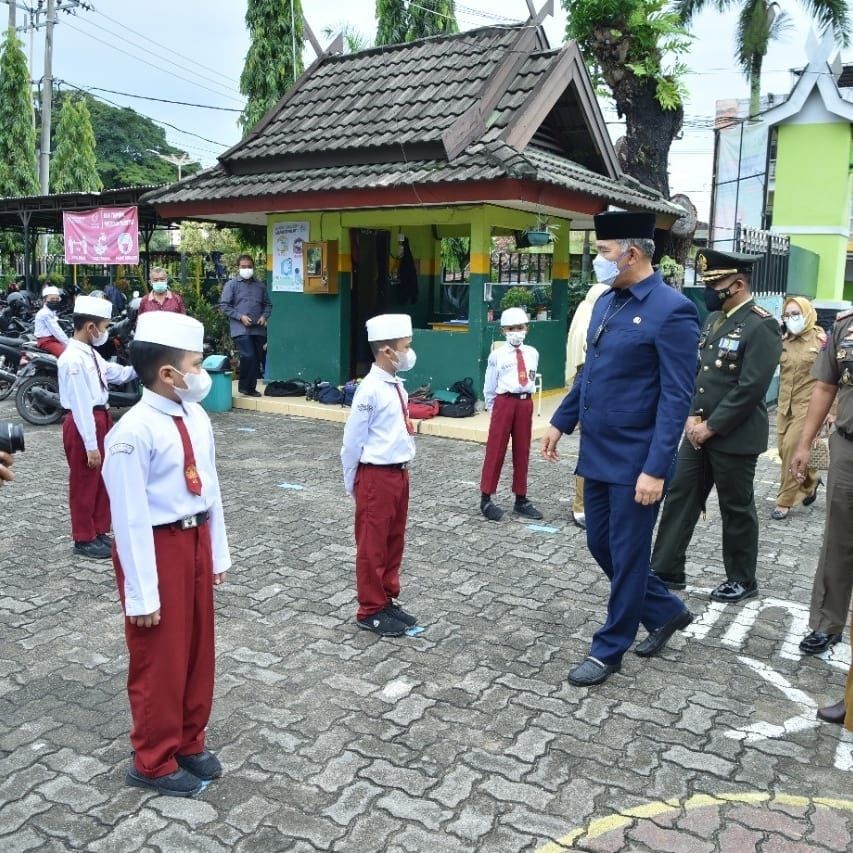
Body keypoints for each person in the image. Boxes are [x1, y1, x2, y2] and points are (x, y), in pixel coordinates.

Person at [541, 211, 699, 687]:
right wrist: (561, 420)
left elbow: (677, 396)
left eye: (604, 252)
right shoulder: (609, 301)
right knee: (600, 543)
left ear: (631, 253)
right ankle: (667, 610)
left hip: (637, 461)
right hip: (599, 452)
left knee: (629, 555)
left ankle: (609, 649)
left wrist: (656, 468)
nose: (598, 260)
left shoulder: (672, 310)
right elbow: (592, 369)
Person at [101, 311, 230, 797]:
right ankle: (152, 759)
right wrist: (142, 594)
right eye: (196, 365)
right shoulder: (132, 433)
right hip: (157, 547)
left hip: (194, 540)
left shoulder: (194, 415)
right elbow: (129, 519)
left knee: (198, 649)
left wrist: (216, 553)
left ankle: (188, 740)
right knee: (160, 656)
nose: (203, 374)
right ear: (168, 374)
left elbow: (211, 489)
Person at [651, 249, 782, 602]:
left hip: (734, 435)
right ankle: (665, 567)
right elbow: (702, 375)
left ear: (737, 284)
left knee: (735, 507)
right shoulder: (714, 320)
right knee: (681, 493)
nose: (709, 290)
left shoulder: (762, 324)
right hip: (698, 431)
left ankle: (742, 579)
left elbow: (751, 387)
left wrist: (712, 426)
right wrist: (693, 415)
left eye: (715, 283)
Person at [340, 313, 418, 638]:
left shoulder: (396, 385)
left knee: (393, 541)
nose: (410, 352)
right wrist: (353, 482)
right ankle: (370, 608)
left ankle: (386, 598)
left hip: (398, 474)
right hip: (376, 476)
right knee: (372, 545)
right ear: (387, 351)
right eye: (406, 346)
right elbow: (352, 441)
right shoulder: (370, 390)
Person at [790, 306, 853, 657]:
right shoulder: (846, 325)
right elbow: (826, 386)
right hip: (848, 448)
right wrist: (805, 443)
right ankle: (828, 623)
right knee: (839, 541)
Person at [58, 295, 137, 560]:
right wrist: (91, 445)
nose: (104, 332)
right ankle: (83, 538)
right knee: (84, 481)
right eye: (103, 327)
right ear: (90, 328)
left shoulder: (90, 353)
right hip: (84, 422)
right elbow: (80, 405)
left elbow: (116, 374)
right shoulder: (72, 359)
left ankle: (99, 530)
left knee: (102, 479)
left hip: (100, 419)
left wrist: (142, 365)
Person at [479, 307, 543, 522]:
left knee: (522, 450)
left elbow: (531, 377)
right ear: (503, 330)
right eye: (511, 328)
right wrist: (492, 407)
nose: (516, 331)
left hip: (525, 403)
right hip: (504, 402)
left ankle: (521, 498)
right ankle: (486, 498)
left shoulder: (533, 352)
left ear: (527, 328)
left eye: (520, 327)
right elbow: (490, 383)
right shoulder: (497, 355)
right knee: (496, 449)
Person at [772, 296, 830, 520]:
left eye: (796, 313)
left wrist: (831, 411)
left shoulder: (822, 341)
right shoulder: (783, 341)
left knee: (789, 449)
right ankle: (811, 479)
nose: (791, 318)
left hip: (809, 406)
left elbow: (830, 379)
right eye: (787, 315)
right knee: (782, 449)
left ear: (807, 313)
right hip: (785, 406)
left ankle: (784, 501)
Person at [564, 282, 610, 529]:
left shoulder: (585, 319)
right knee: (589, 452)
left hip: (592, 399)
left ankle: (588, 504)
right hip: (589, 399)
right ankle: (581, 506)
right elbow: (585, 374)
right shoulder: (589, 326)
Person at [218, 254, 271, 397]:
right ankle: (244, 386)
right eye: (243, 267)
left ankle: (250, 388)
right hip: (240, 328)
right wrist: (240, 317)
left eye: (249, 266)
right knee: (249, 355)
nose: (246, 269)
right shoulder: (232, 285)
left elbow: (268, 305)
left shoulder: (260, 286)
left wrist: (264, 316)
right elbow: (224, 306)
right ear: (238, 268)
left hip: (258, 329)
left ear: (253, 267)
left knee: (257, 357)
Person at [34, 286, 69, 356]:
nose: (55, 301)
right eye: (52, 299)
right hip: (47, 342)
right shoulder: (45, 313)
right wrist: (68, 344)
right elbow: (56, 331)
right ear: (44, 300)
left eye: (57, 299)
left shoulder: (51, 312)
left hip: (53, 340)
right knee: (65, 355)